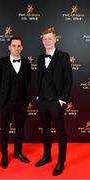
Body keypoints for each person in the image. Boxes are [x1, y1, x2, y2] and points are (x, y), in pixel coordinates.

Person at [35, 27, 72, 176]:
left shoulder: (63, 56)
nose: (47, 41)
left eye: (50, 38)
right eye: (45, 39)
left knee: (60, 133)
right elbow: (40, 79)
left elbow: (68, 81)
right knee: (45, 131)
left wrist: (62, 100)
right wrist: (38, 96)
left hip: (56, 102)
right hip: (42, 101)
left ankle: (61, 162)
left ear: (55, 39)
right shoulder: (39, 58)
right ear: (42, 41)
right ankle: (47, 156)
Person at [0, 36, 31, 168]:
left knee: (20, 130)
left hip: (21, 103)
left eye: (18, 46)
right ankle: (4, 155)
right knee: (4, 131)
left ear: (22, 48)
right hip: (6, 103)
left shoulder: (27, 63)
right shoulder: (1, 62)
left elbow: (28, 80)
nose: (16, 48)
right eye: (13, 45)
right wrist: (5, 94)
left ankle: (18, 153)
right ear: (9, 47)